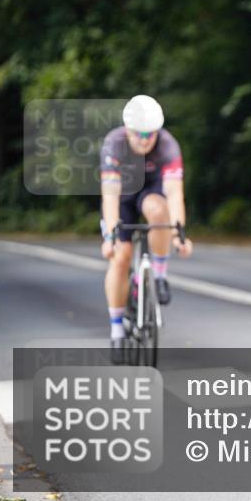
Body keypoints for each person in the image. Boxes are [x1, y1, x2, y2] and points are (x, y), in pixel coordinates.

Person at [99, 95, 193, 359]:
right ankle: (117, 330)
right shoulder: (114, 144)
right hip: (122, 197)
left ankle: (159, 275)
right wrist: (110, 237)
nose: (145, 140)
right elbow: (110, 196)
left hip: (151, 191)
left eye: (150, 134)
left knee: (159, 211)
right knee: (121, 257)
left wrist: (179, 234)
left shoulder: (168, 145)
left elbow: (174, 194)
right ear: (127, 130)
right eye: (139, 134)